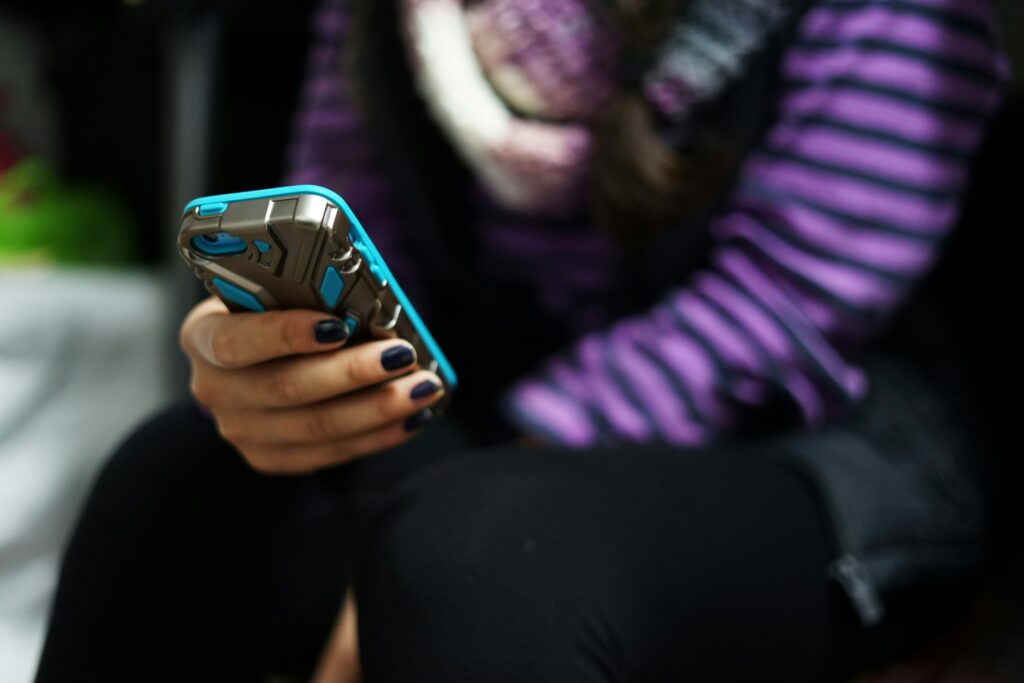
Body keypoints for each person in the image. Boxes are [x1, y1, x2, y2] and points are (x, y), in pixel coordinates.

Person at [36, 0, 1008, 680]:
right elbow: (360, 232)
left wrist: (464, 481)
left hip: (815, 449)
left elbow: (786, 303)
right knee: (175, 473)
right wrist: (279, 353)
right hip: (487, 408)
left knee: (480, 555)